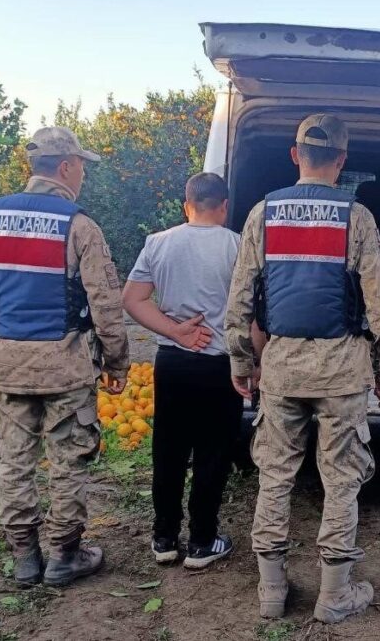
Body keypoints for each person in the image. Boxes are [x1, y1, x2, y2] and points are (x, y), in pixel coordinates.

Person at [225, 114, 380, 624]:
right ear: (343, 161)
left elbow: (240, 298)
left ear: (293, 153)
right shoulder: (358, 217)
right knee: (342, 479)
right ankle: (334, 594)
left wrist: (243, 359)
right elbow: (379, 299)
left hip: (280, 367)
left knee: (275, 476)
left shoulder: (263, 214)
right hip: (342, 370)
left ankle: (271, 591)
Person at [0, 126, 130, 588]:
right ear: (65, 167)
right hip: (66, 364)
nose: (83, 176)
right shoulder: (79, 225)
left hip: (11, 362)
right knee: (67, 460)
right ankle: (64, 556)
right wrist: (116, 363)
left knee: (14, 460)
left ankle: (23, 558)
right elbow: (105, 305)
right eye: (81, 166)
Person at [122, 172, 243, 569]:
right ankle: (203, 541)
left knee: (169, 451)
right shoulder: (238, 246)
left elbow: (133, 299)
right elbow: (252, 314)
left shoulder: (157, 243)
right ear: (223, 206)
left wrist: (175, 330)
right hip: (219, 364)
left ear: (185, 204)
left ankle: (164, 538)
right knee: (213, 453)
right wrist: (253, 362)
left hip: (172, 362)